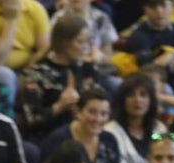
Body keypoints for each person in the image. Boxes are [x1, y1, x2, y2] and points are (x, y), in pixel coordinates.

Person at [20, 13, 111, 145]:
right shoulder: (37, 74)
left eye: (87, 42)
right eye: (80, 42)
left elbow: (103, 103)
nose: (85, 47)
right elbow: (32, 121)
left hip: (88, 133)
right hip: (52, 138)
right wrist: (59, 106)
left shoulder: (87, 69)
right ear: (64, 43)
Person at [123, 0, 174, 92]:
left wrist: (172, 57)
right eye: (153, 7)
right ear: (145, 9)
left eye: (163, 5)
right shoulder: (139, 36)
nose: (159, 11)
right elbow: (149, 70)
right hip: (153, 87)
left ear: (171, 7)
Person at [104, 72, 166, 163]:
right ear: (123, 100)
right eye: (131, 95)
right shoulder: (111, 132)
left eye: (143, 95)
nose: (138, 100)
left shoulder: (159, 130)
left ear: (151, 100)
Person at [0, 0, 50, 74]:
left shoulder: (34, 8)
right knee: (5, 75)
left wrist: (28, 70)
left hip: (30, 68)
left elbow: (44, 50)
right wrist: (11, 20)